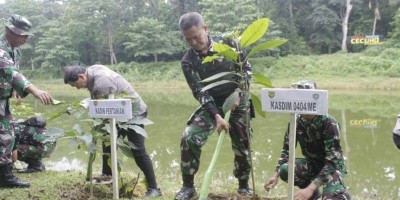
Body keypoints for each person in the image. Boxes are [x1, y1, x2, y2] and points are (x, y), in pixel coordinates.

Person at [175, 12, 254, 200]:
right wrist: (217, 115)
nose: (194, 42)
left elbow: (246, 71)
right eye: (188, 40)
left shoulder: (229, 45)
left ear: (205, 28)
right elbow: (199, 91)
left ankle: (243, 185)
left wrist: (238, 93)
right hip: (211, 104)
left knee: (242, 143)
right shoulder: (188, 61)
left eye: (197, 37)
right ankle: (188, 187)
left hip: (237, 99)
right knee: (189, 137)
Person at [63, 64, 162, 198]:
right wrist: (78, 106)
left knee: (138, 150)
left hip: (134, 113)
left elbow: (100, 107)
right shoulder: (92, 70)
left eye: (75, 85)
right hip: (118, 114)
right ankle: (107, 175)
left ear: (81, 76)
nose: (77, 88)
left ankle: (154, 188)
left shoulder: (101, 82)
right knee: (108, 142)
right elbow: (96, 100)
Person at [264, 80, 352, 200]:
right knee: (285, 169)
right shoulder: (295, 122)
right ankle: (314, 195)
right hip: (312, 164)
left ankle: (340, 194)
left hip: (332, 167)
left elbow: (333, 160)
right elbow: (287, 149)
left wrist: (310, 188)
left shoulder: (329, 123)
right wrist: (275, 175)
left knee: (331, 198)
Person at [0, 14, 53, 188]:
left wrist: (14, 90)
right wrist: (35, 90)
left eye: (25, 36)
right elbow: (11, 73)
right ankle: (5, 177)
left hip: (3, 99)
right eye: (20, 35)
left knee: (7, 135)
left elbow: (13, 73)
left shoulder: (15, 50)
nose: (23, 39)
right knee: (5, 135)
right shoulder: (0, 49)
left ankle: (5, 176)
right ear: (9, 31)